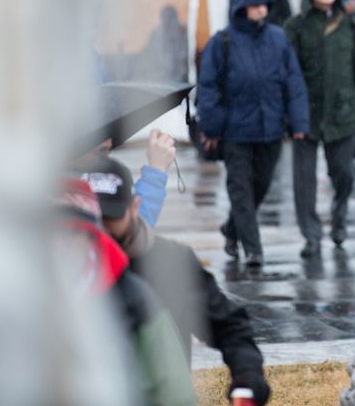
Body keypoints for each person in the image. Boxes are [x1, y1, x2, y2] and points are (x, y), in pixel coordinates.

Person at [79, 155, 271, 405]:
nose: (101, 230)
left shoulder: (171, 262)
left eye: (110, 217)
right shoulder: (62, 269)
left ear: (134, 207)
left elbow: (228, 325)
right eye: (92, 218)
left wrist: (247, 377)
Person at [53, 179, 196, 406]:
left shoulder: (133, 298)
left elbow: (173, 391)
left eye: (72, 234)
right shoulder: (16, 299)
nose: (61, 245)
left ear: (91, 238)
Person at [198, 0, 310, 267]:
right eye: (255, 4)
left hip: (271, 128)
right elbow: (208, 88)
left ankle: (232, 229)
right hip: (235, 131)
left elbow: (293, 82)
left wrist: (298, 122)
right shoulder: (221, 42)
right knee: (240, 188)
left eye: (264, 4)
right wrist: (211, 127)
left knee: (260, 186)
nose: (262, 9)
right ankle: (254, 248)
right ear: (242, 7)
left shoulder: (278, 38)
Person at [284, 0, 355, 257]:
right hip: (307, 114)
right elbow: (287, 73)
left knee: (344, 173)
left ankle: (339, 217)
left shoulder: (350, 24)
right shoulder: (296, 26)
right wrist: (288, 112)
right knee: (304, 181)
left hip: (344, 113)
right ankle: (311, 235)